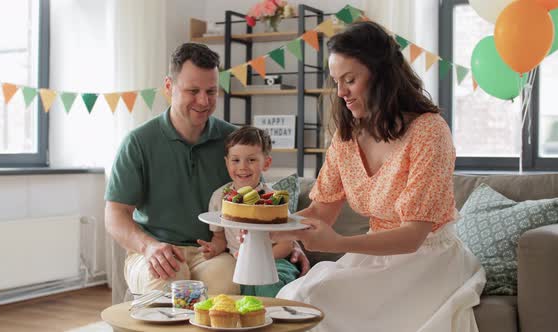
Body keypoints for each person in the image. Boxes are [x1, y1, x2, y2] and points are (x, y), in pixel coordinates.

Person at [272, 22, 486, 332]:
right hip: (376, 255)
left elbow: (414, 235)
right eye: (336, 81)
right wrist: (274, 230)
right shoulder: (347, 137)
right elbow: (322, 210)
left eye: (350, 80)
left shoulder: (429, 131)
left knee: (317, 302)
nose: (341, 92)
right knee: (299, 297)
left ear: (382, 76)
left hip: (429, 259)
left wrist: (339, 243)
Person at [104, 43, 309, 297]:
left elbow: (260, 205)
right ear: (169, 87)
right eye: (193, 91)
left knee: (228, 288)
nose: (204, 101)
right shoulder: (138, 142)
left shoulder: (234, 141)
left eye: (211, 91)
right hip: (156, 252)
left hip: (211, 253)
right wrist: (148, 247)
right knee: (168, 291)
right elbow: (115, 214)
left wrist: (292, 245)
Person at [197, 126, 300, 297]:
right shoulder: (220, 197)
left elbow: (286, 244)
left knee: (268, 287)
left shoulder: (274, 199)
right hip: (239, 264)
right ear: (226, 162)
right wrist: (213, 249)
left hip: (275, 261)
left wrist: (258, 259)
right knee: (240, 291)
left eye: (251, 160)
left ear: (266, 163)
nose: (242, 167)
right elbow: (219, 238)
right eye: (235, 160)